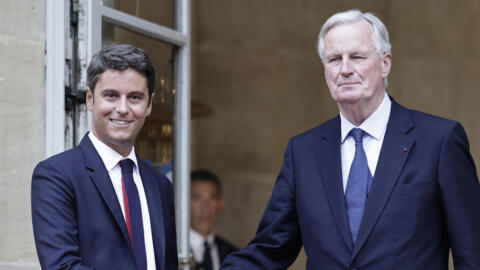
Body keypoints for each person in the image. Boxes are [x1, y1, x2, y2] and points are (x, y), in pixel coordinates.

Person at [221, 9, 480, 270]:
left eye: (357, 57)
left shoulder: (439, 141)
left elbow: (472, 253)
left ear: (385, 63)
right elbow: (270, 249)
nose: (345, 69)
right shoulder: (303, 152)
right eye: (334, 59)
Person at [31, 44, 178, 270]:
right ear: (90, 99)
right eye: (111, 96)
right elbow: (62, 267)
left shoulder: (160, 187)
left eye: (135, 97)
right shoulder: (56, 176)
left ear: (149, 105)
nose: (122, 108)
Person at [189, 169, 237, 270]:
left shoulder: (233, 255)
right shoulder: (171, 252)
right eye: (197, 198)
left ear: (220, 204)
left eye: (212, 198)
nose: (205, 207)